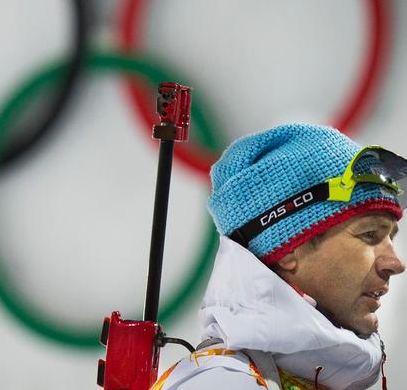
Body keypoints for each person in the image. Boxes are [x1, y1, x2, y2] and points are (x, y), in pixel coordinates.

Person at [152, 123, 405, 390]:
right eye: (369, 235)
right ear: (289, 250)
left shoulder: (302, 378)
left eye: (391, 238)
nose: (396, 263)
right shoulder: (222, 383)